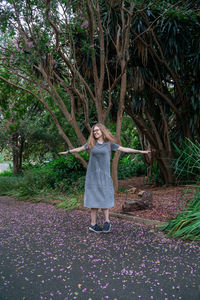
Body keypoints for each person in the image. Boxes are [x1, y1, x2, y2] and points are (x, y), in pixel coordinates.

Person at [58, 123, 151, 234]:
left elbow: (124, 149)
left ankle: (107, 222)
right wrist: (67, 152)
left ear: (102, 131)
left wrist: (140, 151)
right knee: (93, 200)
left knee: (105, 197)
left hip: (104, 176)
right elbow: (79, 149)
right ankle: (93, 225)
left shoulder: (109, 144)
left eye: (97, 130)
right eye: (94, 131)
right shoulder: (91, 144)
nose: (95, 132)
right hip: (93, 176)